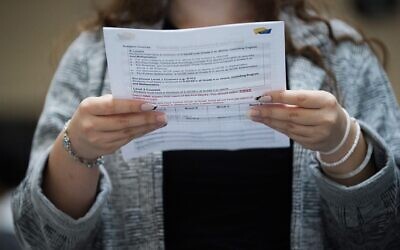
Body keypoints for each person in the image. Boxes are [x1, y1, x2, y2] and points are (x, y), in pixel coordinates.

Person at [12, 0, 400, 249]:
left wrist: (342, 143)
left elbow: (385, 233)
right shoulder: (93, 56)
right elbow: (41, 237)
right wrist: (77, 148)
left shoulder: (343, 54)